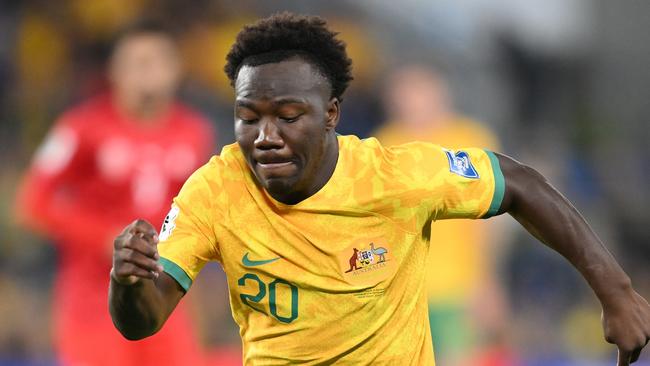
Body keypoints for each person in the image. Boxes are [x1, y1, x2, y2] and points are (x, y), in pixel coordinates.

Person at [108, 13, 650, 366]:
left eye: (289, 116)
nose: (265, 137)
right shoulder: (213, 190)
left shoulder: (393, 175)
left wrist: (616, 292)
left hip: (453, 302)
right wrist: (129, 284)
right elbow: (143, 321)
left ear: (331, 115)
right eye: (248, 118)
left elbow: (520, 184)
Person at [17, 20, 213, 366]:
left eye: (157, 61)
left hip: (163, 296)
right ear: (114, 71)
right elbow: (34, 202)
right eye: (138, 62)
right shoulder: (81, 127)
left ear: (176, 70)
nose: (148, 72)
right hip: (94, 300)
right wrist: (104, 238)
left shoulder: (194, 132)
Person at [374, 64, 513, 365]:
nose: (411, 101)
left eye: (419, 90)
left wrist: (488, 281)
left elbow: (490, 222)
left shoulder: (470, 139)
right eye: (403, 93)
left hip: (458, 288)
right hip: (401, 291)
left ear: (440, 92)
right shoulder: (383, 144)